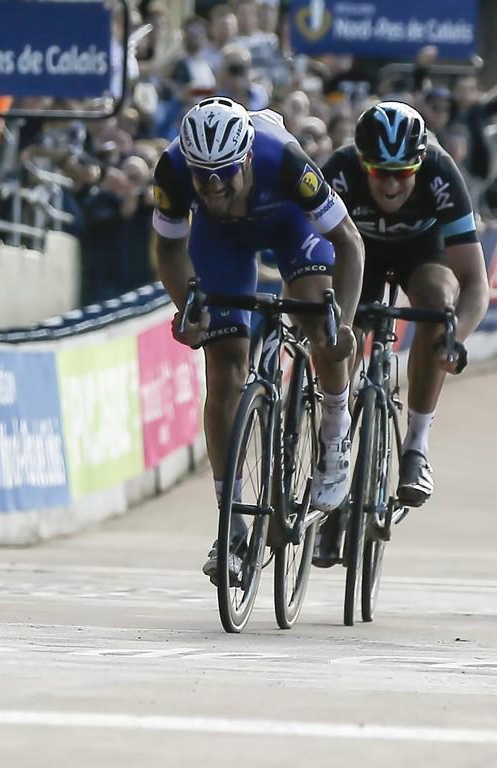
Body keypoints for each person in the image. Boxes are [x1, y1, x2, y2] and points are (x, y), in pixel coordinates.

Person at [151, 97, 365, 585]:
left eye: (224, 173)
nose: (212, 186)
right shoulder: (172, 170)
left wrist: (344, 325)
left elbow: (350, 242)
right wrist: (189, 307)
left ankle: (335, 430)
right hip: (220, 241)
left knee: (321, 325)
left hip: (289, 223)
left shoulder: (282, 159)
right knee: (224, 368)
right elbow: (169, 247)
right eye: (203, 176)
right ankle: (232, 525)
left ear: (246, 158)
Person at [313, 101, 489, 564]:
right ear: (362, 163)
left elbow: (475, 283)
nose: (391, 185)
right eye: (379, 173)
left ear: (419, 163)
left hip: (421, 251)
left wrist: (455, 338)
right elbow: (310, 259)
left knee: (436, 304)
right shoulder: (340, 172)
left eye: (402, 174)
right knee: (339, 334)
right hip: (358, 254)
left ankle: (416, 446)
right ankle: (334, 447)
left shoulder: (440, 173)